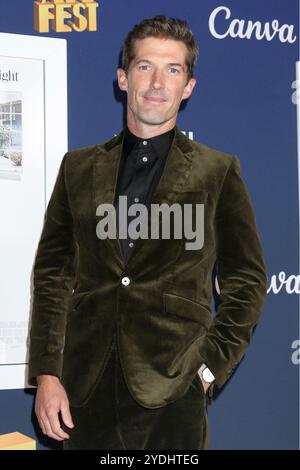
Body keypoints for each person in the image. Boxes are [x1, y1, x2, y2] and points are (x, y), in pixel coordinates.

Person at [28, 15, 267, 450]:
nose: (157, 82)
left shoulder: (218, 171)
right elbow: (52, 278)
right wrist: (47, 374)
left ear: (188, 86)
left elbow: (247, 282)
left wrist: (210, 366)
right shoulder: (78, 168)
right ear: (123, 78)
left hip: (175, 392)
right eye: (145, 67)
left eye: (172, 70)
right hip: (84, 391)